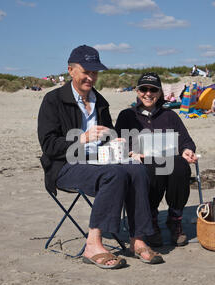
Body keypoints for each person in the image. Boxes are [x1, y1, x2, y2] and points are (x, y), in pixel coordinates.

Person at [38, 45, 164, 269]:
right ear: (71, 70)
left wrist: (117, 143)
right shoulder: (53, 100)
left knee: (136, 167)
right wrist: (82, 139)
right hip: (65, 166)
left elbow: (108, 135)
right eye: (86, 71)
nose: (91, 77)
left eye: (94, 72)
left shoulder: (100, 101)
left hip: (100, 160)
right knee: (114, 173)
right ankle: (93, 245)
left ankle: (137, 238)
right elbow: (48, 145)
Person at [115, 72, 198, 247]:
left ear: (159, 93)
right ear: (137, 92)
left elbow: (186, 140)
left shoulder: (170, 116)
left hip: (168, 160)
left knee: (181, 166)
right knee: (151, 167)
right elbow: (117, 143)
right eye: (143, 89)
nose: (148, 93)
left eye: (153, 90)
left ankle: (175, 218)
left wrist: (188, 150)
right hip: (141, 163)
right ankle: (151, 219)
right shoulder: (126, 115)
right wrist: (131, 153)